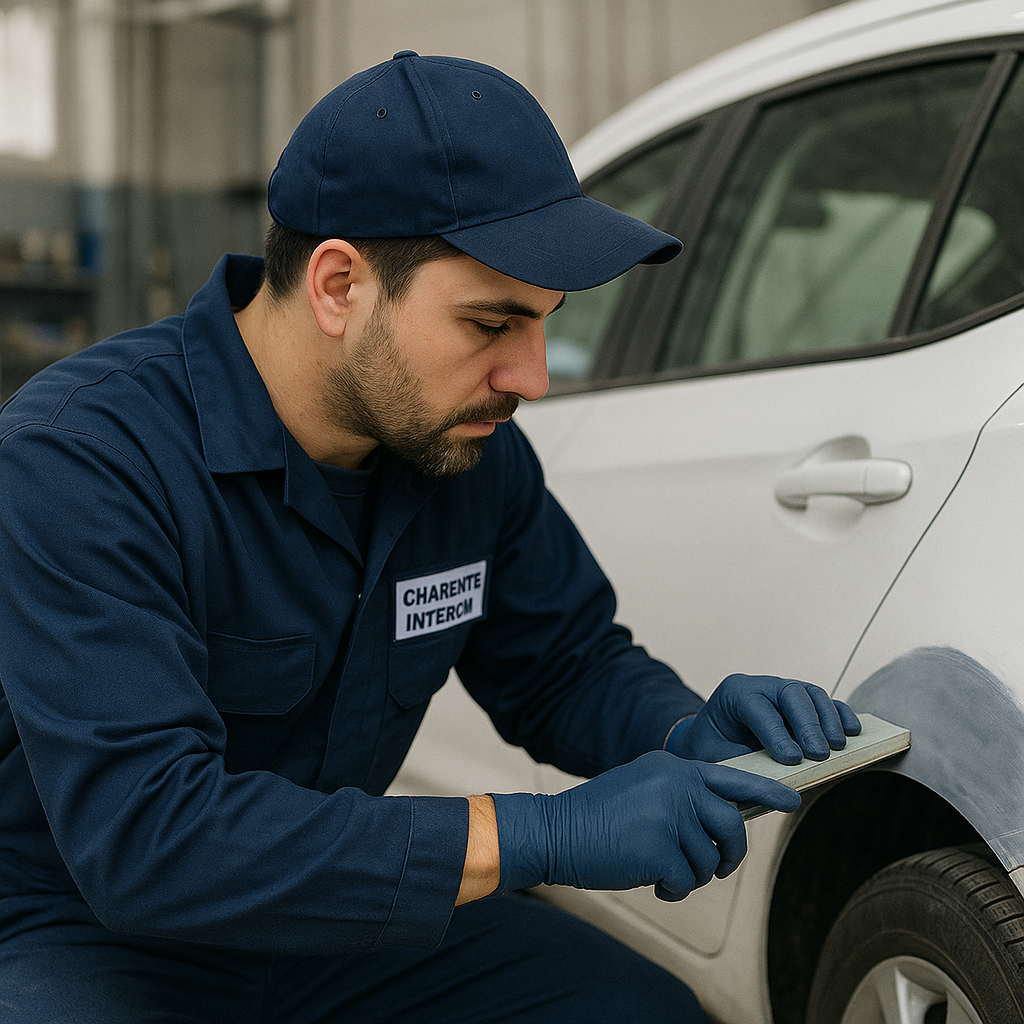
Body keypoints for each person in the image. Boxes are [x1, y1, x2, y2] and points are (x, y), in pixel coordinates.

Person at [0, 52, 860, 1023]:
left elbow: (563, 665)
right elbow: (150, 839)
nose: (530, 376)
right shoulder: (82, 462)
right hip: (83, 933)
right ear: (337, 285)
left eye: (542, 324)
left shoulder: (465, 451)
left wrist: (682, 729)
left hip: (340, 932)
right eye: (490, 322)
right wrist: (536, 836)